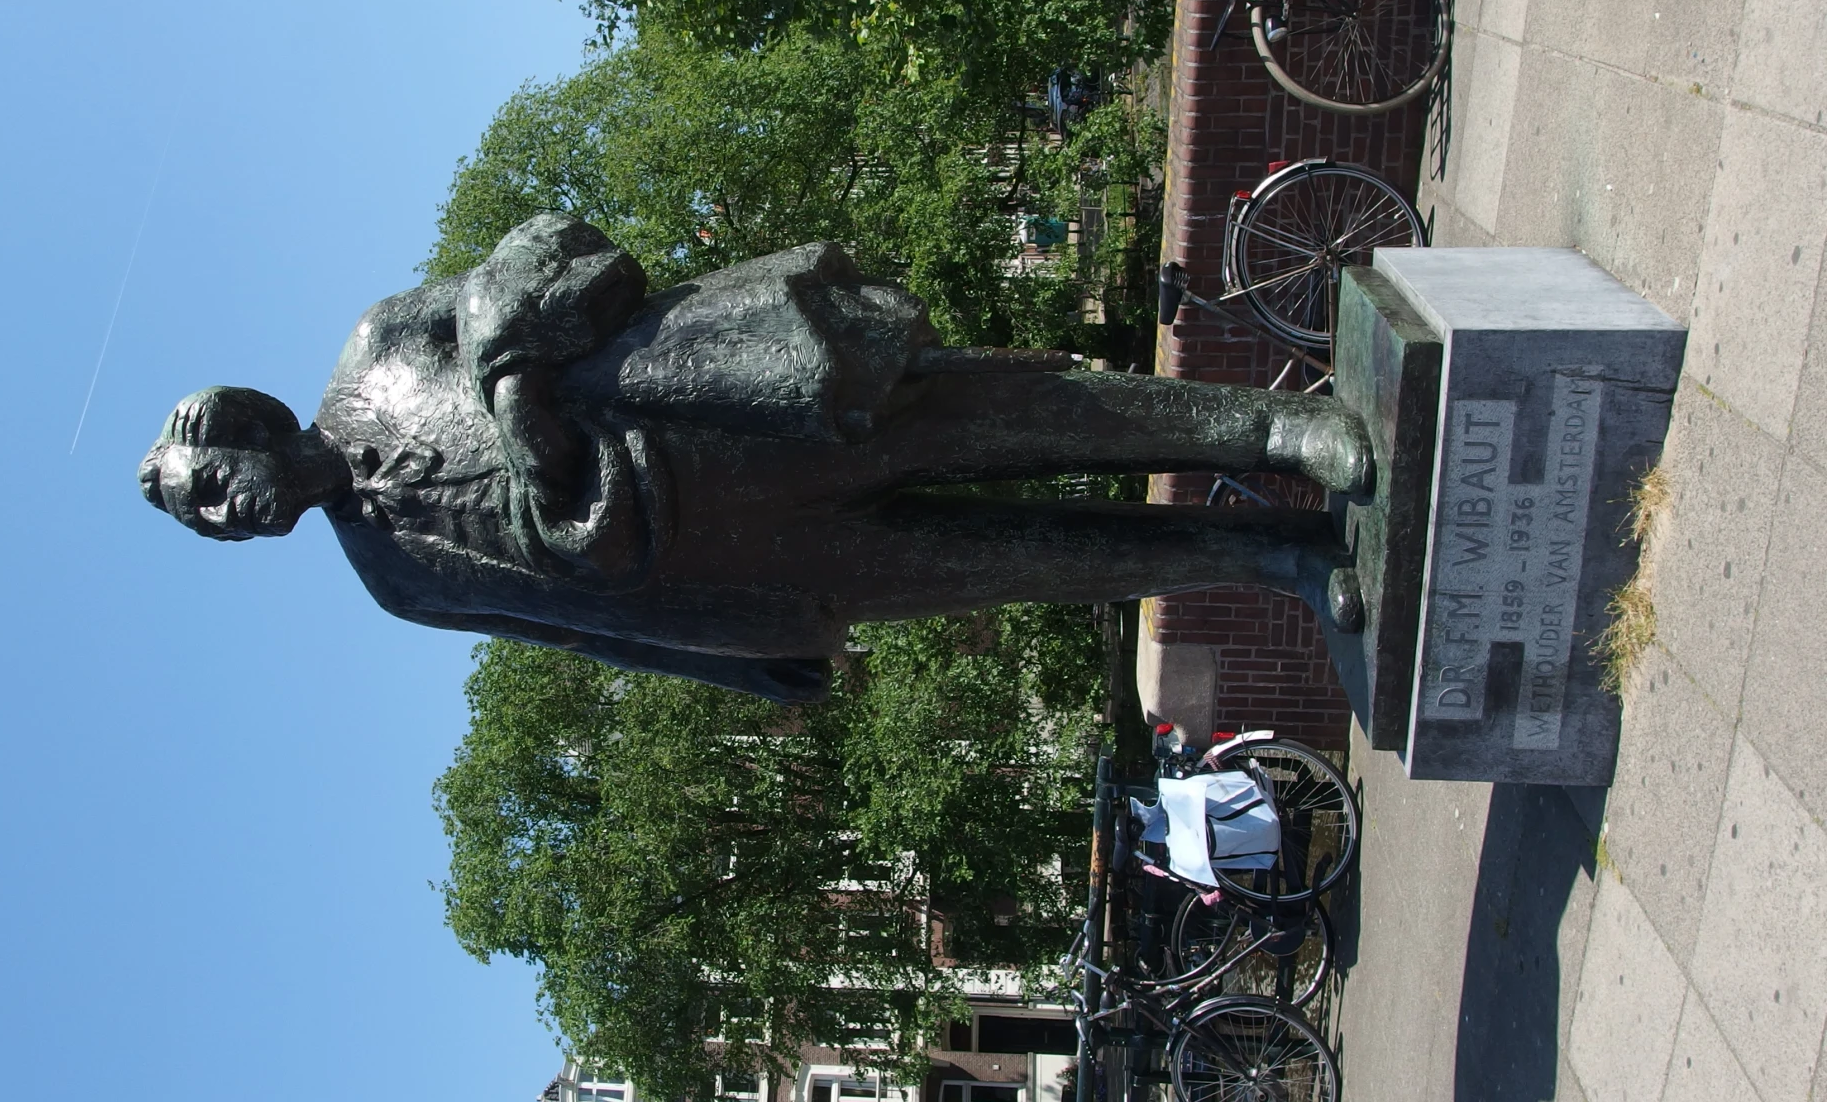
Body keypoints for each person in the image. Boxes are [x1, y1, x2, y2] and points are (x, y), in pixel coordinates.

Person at [139, 214, 1370, 701]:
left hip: (727, 423)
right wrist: (745, 671)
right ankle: (1272, 558)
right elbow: (567, 632)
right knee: (1031, 558)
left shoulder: (377, 348)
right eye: (208, 526)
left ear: (240, 427)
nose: (226, 515)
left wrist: (513, 380)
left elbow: (548, 256)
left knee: (1029, 421)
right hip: (737, 571)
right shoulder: (390, 584)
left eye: (210, 490)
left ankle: (1271, 432)